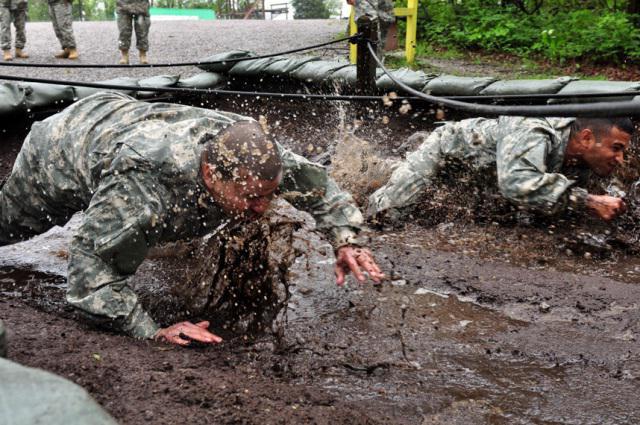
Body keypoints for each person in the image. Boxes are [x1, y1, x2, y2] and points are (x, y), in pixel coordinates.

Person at [0, 92, 384, 347]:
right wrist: (151, 330)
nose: (263, 207)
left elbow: (317, 185)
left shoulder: (255, 155)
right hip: (61, 146)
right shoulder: (145, 187)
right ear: (212, 176)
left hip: (121, 116)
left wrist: (345, 238)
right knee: (10, 224)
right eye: (252, 198)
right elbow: (89, 276)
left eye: (270, 194)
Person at [368, 117, 635, 222]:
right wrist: (589, 201)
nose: (620, 159)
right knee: (385, 216)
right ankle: (372, 174)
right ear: (587, 139)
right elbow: (517, 185)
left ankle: (389, 169)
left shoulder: (582, 164)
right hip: (444, 153)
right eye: (616, 148)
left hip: (476, 176)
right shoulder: (533, 132)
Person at [116, 0, 150, 64]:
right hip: (123, 5)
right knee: (124, 30)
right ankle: (124, 55)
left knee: (142, 30)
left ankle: (143, 54)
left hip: (141, 5)